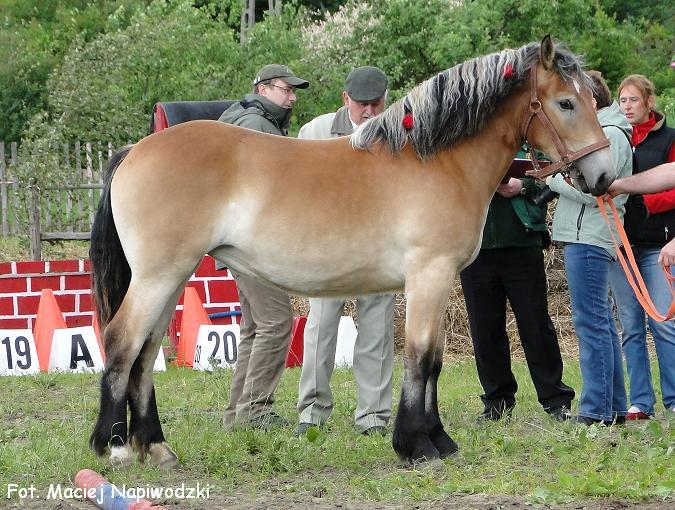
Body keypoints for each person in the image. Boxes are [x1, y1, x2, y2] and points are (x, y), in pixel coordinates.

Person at [295, 66, 396, 435]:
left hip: (379, 246)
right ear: (345, 99)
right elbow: (299, 189)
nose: (370, 112)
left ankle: (373, 417)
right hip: (329, 246)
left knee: (377, 330)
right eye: (362, 105)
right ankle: (311, 412)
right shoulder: (315, 132)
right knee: (320, 327)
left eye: (377, 103)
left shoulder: (401, 132)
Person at [217, 64, 309, 429]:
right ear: (264, 88)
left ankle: (236, 415)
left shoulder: (247, 120)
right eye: (287, 90)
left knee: (254, 328)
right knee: (276, 322)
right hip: (253, 243)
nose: (293, 97)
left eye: (293, 91)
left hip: (240, 242)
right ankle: (255, 411)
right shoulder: (258, 126)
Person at [459, 151, 575, 423]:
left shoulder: (530, 139)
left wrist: (521, 186)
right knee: (484, 328)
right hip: (476, 247)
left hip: (522, 244)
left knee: (535, 324)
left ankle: (555, 399)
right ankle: (497, 401)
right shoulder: (464, 138)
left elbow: (554, 175)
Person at [548, 70, 632, 426]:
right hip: (595, 235)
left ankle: (596, 409)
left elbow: (596, 187)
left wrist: (554, 179)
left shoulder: (608, 135)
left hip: (590, 236)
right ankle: (612, 405)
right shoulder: (614, 133)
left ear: (593, 101)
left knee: (591, 323)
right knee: (603, 323)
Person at [608, 74, 675, 420]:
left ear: (649, 101)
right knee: (630, 326)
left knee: (663, 321)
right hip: (623, 246)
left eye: (633, 99)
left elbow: (671, 183)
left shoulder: (668, 139)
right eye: (622, 100)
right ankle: (640, 402)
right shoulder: (614, 139)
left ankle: (674, 399)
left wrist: (643, 202)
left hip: (657, 243)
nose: (628, 106)